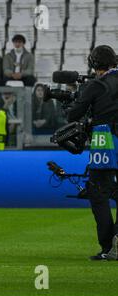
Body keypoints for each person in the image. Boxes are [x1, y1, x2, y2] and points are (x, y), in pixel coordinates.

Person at [66, 45, 118, 261]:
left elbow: (73, 115)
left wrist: (71, 103)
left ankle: (108, 246)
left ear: (95, 64)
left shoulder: (96, 85)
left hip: (106, 140)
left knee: (98, 193)